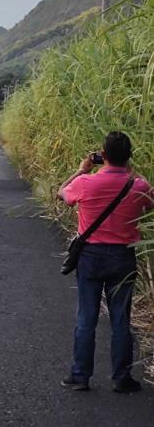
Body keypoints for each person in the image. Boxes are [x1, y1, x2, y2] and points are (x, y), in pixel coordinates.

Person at [57, 131, 154, 393]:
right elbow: (150, 204)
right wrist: (131, 173)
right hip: (123, 256)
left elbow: (61, 194)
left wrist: (80, 170)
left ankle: (80, 376)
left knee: (86, 317)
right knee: (121, 318)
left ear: (103, 155)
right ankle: (122, 378)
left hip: (90, 256)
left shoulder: (86, 182)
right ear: (129, 156)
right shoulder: (138, 186)